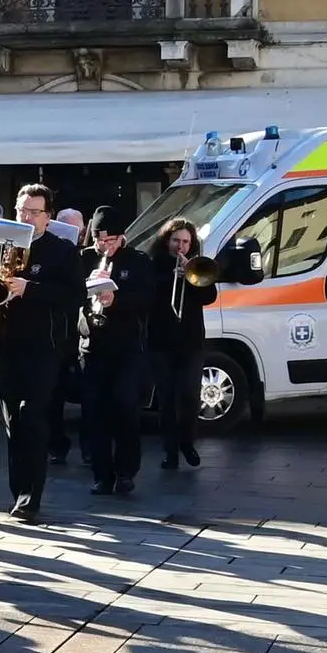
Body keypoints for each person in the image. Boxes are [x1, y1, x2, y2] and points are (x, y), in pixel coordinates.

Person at [0, 183, 82, 522]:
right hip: (7, 342)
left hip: (44, 345)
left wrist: (30, 289)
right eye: (22, 210)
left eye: (34, 212)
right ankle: (17, 491)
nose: (27, 217)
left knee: (33, 418)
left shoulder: (61, 250)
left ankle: (31, 497)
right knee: (12, 421)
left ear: (48, 216)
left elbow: (73, 297)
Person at [79, 206, 164, 497]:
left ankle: (126, 471)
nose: (105, 247)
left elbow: (148, 298)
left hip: (127, 347)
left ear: (122, 237)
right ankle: (102, 475)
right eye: (100, 241)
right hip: (93, 347)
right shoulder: (85, 260)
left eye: (111, 241)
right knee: (95, 412)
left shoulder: (137, 261)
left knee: (124, 408)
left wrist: (118, 299)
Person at [150, 218, 221, 473]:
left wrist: (190, 278)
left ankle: (188, 443)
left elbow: (209, 296)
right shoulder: (154, 265)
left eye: (186, 242)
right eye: (176, 241)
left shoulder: (196, 265)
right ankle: (170, 451)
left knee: (190, 396)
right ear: (167, 241)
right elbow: (150, 297)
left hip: (191, 341)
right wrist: (170, 279)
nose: (181, 247)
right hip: (161, 341)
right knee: (167, 399)